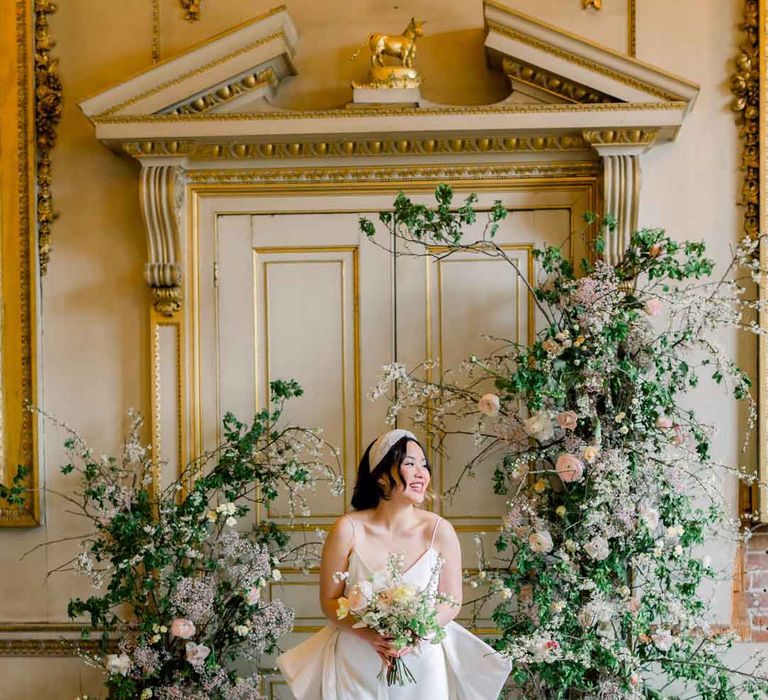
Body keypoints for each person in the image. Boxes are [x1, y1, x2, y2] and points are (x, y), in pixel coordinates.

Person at [277, 429, 512, 699]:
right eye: (410, 464)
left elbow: (451, 601)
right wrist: (370, 635)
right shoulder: (347, 529)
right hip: (357, 661)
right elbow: (330, 601)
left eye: (424, 465)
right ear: (380, 476)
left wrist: (414, 634)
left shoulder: (439, 530)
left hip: (423, 661)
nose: (421, 473)